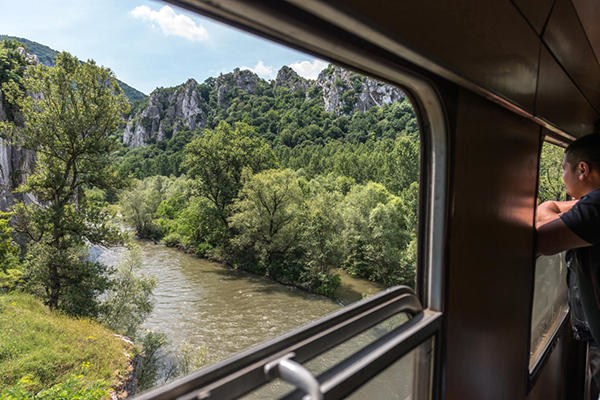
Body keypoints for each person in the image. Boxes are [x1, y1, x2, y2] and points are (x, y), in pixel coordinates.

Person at [536, 133, 600, 399]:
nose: (563, 176)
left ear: (582, 169)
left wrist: (547, 205)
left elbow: (542, 238)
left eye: (564, 169)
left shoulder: (596, 208)